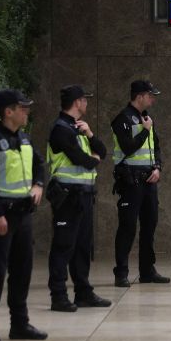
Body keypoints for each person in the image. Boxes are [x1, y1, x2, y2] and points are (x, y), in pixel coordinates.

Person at [0, 89, 48, 341]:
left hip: (23, 217)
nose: (27, 112)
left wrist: (38, 184)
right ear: (8, 112)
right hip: (1, 217)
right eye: (22, 108)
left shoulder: (24, 139)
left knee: (22, 271)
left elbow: (40, 164)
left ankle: (20, 324)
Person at [47, 85, 112, 311]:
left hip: (84, 195)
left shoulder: (78, 128)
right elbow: (81, 160)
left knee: (83, 247)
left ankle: (83, 293)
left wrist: (90, 134)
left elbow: (102, 151)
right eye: (85, 100)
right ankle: (58, 296)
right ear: (77, 102)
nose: (87, 103)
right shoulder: (60, 129)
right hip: (67, 196)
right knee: (63, 246)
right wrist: (94, 159)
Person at [111, 80, 170, 287]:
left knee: (149, 225)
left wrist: (157, 167)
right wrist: (145, 130)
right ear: (139, 96)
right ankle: (121, 273)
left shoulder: (147, 118)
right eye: (150, 95)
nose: (153, 99)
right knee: (127, 227)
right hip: (131, 180)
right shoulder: (123, 119)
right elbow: (127, 148)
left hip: (149, 180)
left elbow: (156, 148)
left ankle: (147, 271)